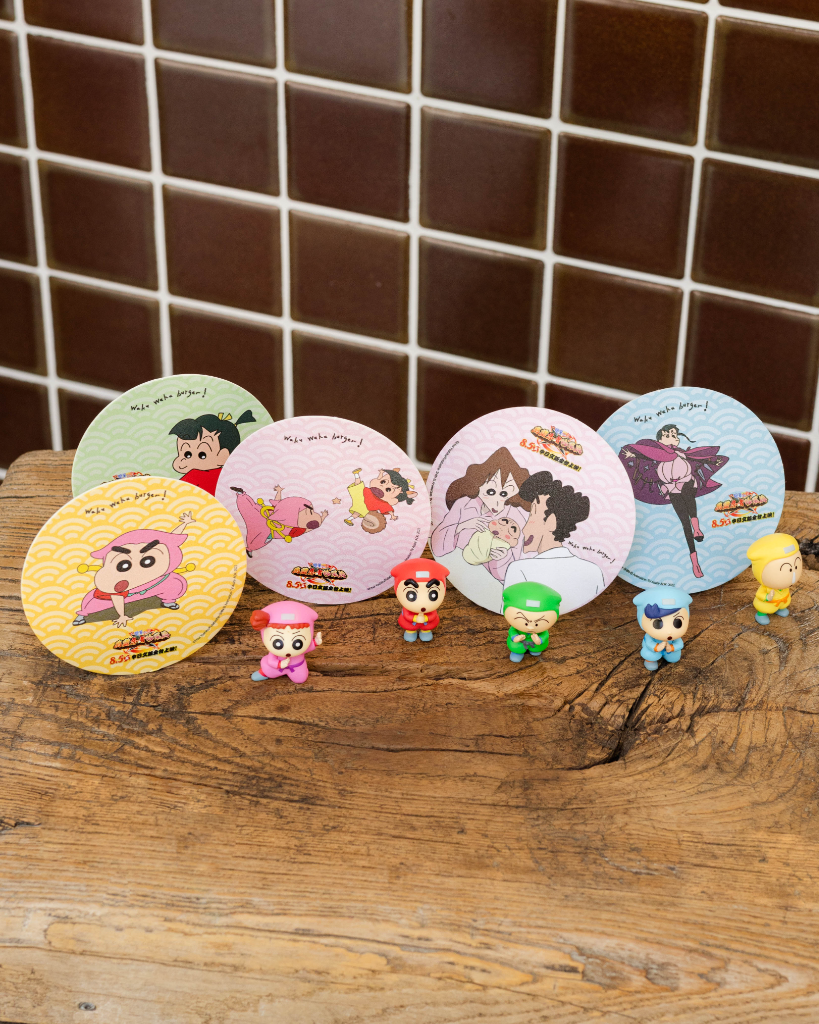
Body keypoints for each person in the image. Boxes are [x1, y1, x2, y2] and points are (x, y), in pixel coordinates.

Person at [619, 424, 727, 580]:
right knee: (684, 522)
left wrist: (712, 460)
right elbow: (647, 456)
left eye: (675, 435)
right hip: (671, 487)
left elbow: (698, 458)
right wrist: (633, 455)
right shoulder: (658, 454)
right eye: (669, 435)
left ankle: (697, 527)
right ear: (660, 439)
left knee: (689, 500)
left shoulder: (681, 453)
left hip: (687, 482)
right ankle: (695, 562)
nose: (673, 438)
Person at [501, 470, 604, 614]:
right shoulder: (594, 571)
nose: (524, 529)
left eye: (532, 515)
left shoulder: (520, 569)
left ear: (551, 522)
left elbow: (509, 613)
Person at [169, 410, 256, 496]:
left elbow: (176, 493)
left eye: (202, 455)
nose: (182, 460)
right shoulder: (229, 475)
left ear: (223, 455)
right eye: (187, 454)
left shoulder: (195, 475)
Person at [249, 601, 321, 684]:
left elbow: (307, 648)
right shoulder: (274, 653)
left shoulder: (302, 649)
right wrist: (279, 664)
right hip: (277, 669)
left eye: (298, 642)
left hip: (297, 667)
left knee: (300, 679)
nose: (288, 649)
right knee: (268, 670)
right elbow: (271, 661)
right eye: (277, 642)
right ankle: (264, 673)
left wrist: (315, 642)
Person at [746, 533, 803, 625]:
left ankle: (780, 609)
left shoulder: (785, 586)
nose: (792, 574)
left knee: (782, 606)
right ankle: (761, 614)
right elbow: (759, 594)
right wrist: (767, 597)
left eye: (796, 567)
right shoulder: (766, 587)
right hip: (768, 604)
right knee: (764, 608)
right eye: (787, 569)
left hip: (782, 601)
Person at [633, 587, 692, 671]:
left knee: (674, 658)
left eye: (678, 623)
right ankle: (649, 661)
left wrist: (671, 648)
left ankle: (668, 655)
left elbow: (679, 644)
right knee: (651, 654)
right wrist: (656, 647)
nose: (669, 631)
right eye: (657, 623)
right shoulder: (650, 636)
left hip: (669, 650)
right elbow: (648, 643)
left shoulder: (676, 637)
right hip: (655, 650)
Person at [390, 558, 449, 642]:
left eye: (433, 594)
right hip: (411, 623)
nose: (422, 603)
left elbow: (433, 615)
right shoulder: (408, 609)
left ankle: (425, 632)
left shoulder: (431, 610)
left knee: (427, 628)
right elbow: (407, 615)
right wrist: (415, 618)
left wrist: (426, 618)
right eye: (411, 595)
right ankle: (410, 632)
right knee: (410, 628)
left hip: (426, 624)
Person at [502, 582, 561, 663]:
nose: (530, 627)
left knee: (537, 648)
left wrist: (539, 640)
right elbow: (512, 631)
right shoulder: (515, 628)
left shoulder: (542, 630)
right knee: (516, 646)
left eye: (536, 624)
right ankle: (517, 653)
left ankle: (535, 650)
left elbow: (545, 634)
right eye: (526, 623)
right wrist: (515, 637)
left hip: (535, 644)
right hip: (520, 643)